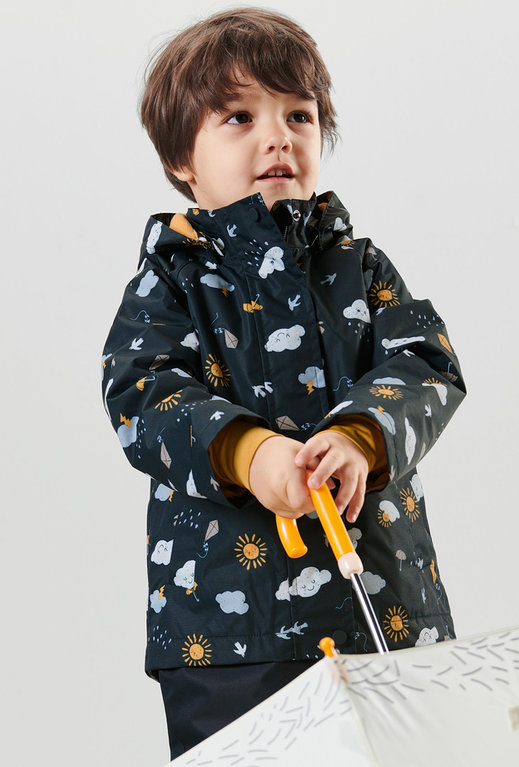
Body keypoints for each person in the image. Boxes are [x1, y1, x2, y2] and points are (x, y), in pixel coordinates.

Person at [101, 8, 466, 759]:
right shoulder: (171, 279)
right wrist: (252, 453)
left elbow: (427, 362)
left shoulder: (357, 266)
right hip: (228, 637)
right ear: (182, 160)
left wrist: (360, 436)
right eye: (239, 117)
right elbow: (142, 391)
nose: (279, 136)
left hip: (387, 612)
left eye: (298, 115)